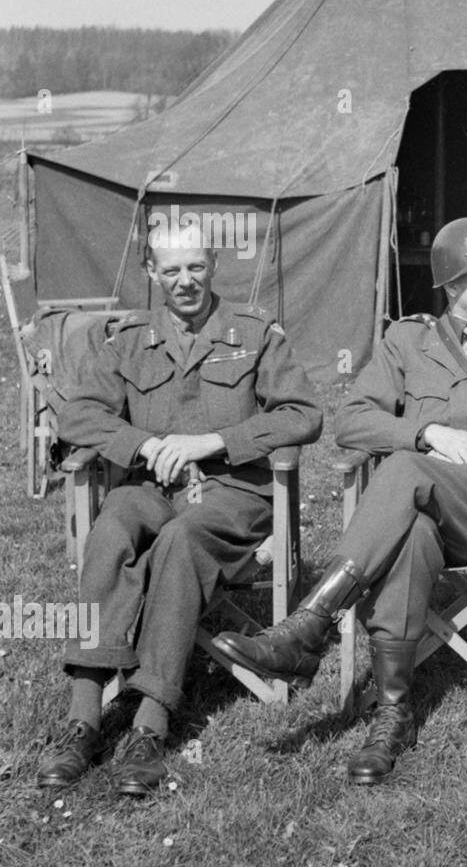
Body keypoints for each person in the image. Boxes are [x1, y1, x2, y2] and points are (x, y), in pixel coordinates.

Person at [210, 217, 467, 784]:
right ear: (450, 285)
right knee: (410, 534)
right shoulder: (406, 339)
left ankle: (308, 628)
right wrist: (427, 435)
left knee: (406, 471)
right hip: (427, 510)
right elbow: (352, 421)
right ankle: (392, 714)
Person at [36, 234, 323, 795]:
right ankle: (83, 719)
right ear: (151, 271)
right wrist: (143, 446)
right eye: (171, 270)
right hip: (151, 485)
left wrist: (214, 440)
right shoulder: (129, 340)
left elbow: (304, 414)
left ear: (214, 264)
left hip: (231, 492)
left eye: (196, 266)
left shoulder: (255, 334)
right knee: (112, 528)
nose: (185, 281)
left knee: (180, 541)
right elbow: (79, 416)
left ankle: (149, 726)